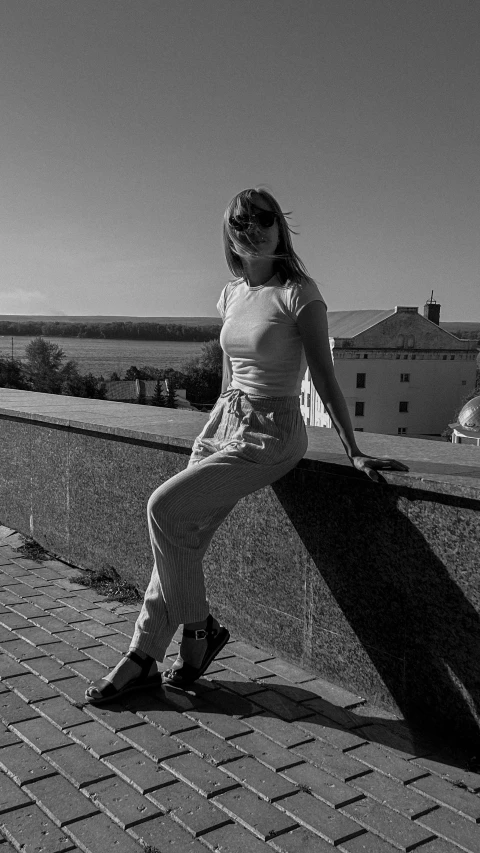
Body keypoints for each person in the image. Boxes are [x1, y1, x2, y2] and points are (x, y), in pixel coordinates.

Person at [85, 187, 408, 704]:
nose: (250, 227)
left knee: (163, 510)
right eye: (240, 221)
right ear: (229, 232)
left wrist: (354, 449)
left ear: (280, 227)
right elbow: (230, 370)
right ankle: (142, 656)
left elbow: (324, 377)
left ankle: (199, 632)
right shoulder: (232, 293)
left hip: (273, 432)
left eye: (262, 218)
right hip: (225, 422)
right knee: (180, 542)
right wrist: (212, 425)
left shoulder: (299, 293)